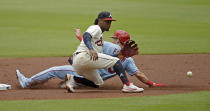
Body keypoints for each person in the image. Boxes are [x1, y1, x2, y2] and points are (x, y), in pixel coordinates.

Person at [16, 11, 144, 93]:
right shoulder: (96, 28)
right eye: (107, 21)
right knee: (114, 61)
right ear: (100, 21)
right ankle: (127, 85)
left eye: (110, 22)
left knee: (98, 83)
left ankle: (73, 79)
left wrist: (121, 55)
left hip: (87, 64)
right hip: (83, 59)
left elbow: (92, 44)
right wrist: (90, 48)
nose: (109, 24)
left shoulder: (100, 37)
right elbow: (87, 36)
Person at [16, 30, 166, 92]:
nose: (113, 39)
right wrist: (152, 84)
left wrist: (80, 36)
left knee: (54, 70)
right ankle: (72, 81)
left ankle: (27, 82)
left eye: (115, 38)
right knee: (75, 66)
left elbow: (90, 46)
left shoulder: (108, 46)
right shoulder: (128, 61)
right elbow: (139, 75)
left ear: (119, 40)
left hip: (87, 72)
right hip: (95, 82)